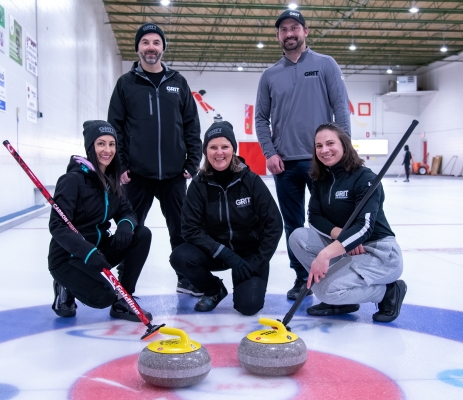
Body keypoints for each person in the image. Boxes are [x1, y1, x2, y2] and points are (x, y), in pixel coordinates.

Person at [255, 9, 351, 301]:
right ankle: (301, 277)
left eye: (294, 27)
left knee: (328, 221)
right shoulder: (270, 75)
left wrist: (342, 151)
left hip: (322, 162)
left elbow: (341, 109)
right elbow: (261, 118)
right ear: (278, 36)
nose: (289, 33)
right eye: (283, 29)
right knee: (293, 224)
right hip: (285, 164)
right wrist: (269, 153)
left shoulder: (325, 65)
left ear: (305, 32)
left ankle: (335, 274)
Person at [107, 23, 202, 296]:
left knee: (182, 229)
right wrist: (122, 165)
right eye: (145, 42)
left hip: (174, 174)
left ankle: (186, 278)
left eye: (156, 42)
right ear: (138, 47)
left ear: (163, 47)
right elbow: (116, 126)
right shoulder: (126, 84)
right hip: (137, 174)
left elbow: (191, 125)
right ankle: (126, 281)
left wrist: (192, 162)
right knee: (131, 229)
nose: (151, 47)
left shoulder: (178, 82)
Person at [288, 123, 406, 322]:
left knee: (325, 291)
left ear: (344, 144)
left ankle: (388, 292)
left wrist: (326, 254)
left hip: (379, 252)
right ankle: (343, 298)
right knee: (298, 237)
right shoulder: (320, 179)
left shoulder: (366, 178)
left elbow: (365, 227)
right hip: (347, 245)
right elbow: (314, 217)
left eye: (330, 143)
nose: (324, 150)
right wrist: (344, 239)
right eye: (319, 146)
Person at [170, 122, 283, 315]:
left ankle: (246, 283)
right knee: (181, 257)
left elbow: (274, 223)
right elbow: (190, 229)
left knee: (248, 306)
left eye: (225, 146)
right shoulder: (199, 184)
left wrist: (257, 261)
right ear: (206, 151)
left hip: (248, 254)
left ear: (233, 149)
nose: (219, 152)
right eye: (213, 147)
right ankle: (214, 290)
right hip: (215, 252)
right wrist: (227, 255)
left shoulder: (250, 180)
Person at [48, 120, 153, 322]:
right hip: (68, 257)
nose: (107, 150)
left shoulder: (110, 180)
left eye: (111, 144)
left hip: (98, 251)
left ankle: (124, 299)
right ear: (90, 147)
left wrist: (125, 224)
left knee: (141, 234)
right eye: (101, 144)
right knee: (103, 297)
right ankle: (65, 286)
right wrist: (86, 252)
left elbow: (126, 211)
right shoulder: (72, 181)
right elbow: (58, 225)